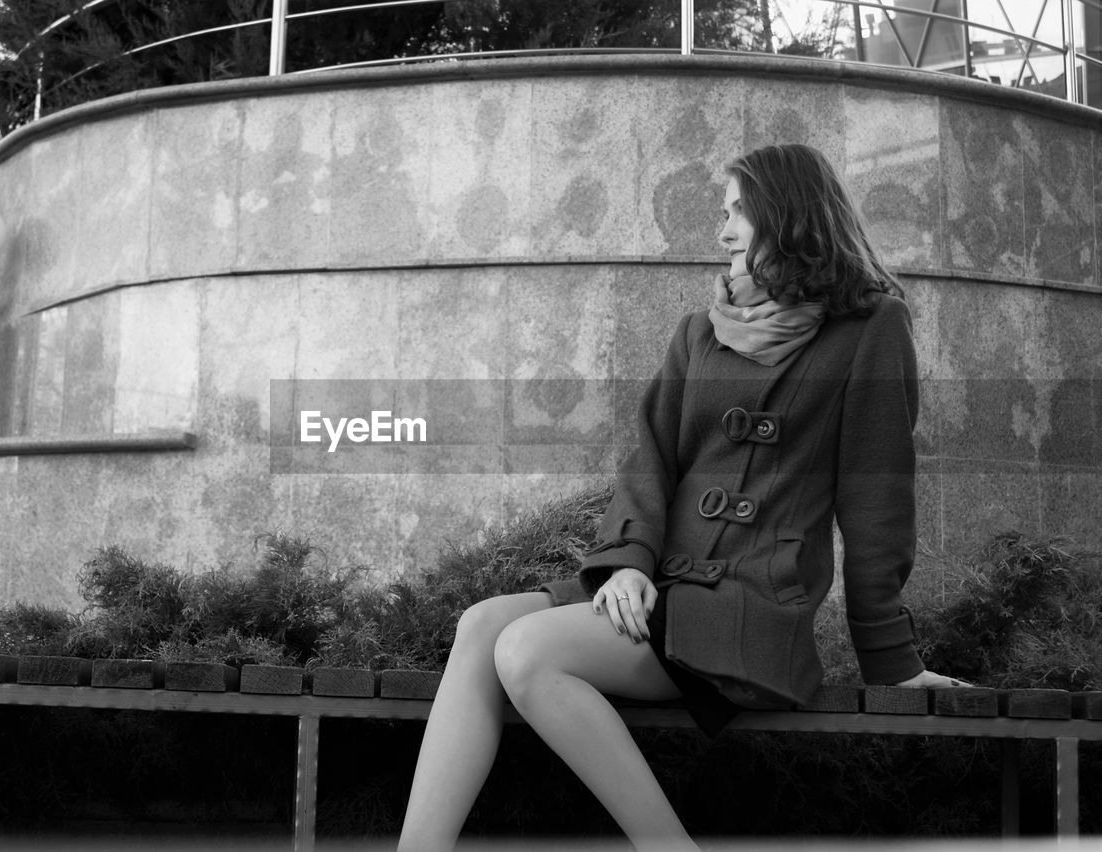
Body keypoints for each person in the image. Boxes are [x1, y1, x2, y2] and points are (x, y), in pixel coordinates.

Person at [397, 143, 969, 852]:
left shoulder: (870, 329)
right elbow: (651, 463)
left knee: (527, 652)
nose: (723, 231)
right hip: (665, 586)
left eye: (738, 213)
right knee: (481, 624)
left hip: (753, 605)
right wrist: (626, 564)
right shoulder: (700, 332)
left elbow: (878, 500)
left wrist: (893, 662)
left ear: (786, 217)